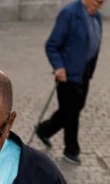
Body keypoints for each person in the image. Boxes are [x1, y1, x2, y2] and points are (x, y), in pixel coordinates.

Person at [34, 0, 104, 165]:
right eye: (97, 1)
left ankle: (44, 129)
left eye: (102, 3)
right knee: (71, 112)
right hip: (67, 74)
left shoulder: (97, 16)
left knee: (73, 108)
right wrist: (58, 67)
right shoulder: (70, 13)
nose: (99, 5)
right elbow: (52, 45)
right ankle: (71, 150)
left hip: (84, 73)